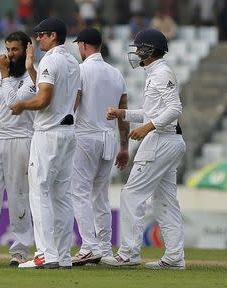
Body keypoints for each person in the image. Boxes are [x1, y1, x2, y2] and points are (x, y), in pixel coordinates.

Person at [103, 28, 186, 270]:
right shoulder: (155, 73)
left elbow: (175, 109)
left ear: (150, 50)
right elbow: (151, 112)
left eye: (140, 48)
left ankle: (128, 253)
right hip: (167, 139)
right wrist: (123, 113)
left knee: (131, 195)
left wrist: (148, 128)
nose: (136, 52)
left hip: (161, 139)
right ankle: (174, 257)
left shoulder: (161, 73)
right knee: (165, 200)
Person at [10, 17, 80, 269]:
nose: (37, 39)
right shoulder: (72, 61)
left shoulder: (51, 59)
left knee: (39, 193)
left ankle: (44, 254)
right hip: (67, 132)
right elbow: (58, 92)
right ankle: (61, 255)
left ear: (53, 35)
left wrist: (21, 105)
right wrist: (30, 68)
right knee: (61, 196)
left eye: (41, 35)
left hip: (48, 133)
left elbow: (43, 100)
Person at [70, 28, 129, 266]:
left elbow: (73, 105)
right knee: (100, 196)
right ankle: (104, 248)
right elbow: (123, 112)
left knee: (79, 192)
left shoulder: (80, 70)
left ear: (84, 45)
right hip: (109, 138)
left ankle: (89, 246)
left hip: (85, 136)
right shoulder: (116, 74)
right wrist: (124, 146)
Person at [0, 31, 35, 267]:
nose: (10, 55)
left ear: (26, 49)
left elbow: (14, 105)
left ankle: (20, 249)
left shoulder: (34, 76)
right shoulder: (6, 76)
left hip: (21, 139)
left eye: (15, 50)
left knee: (18, 196)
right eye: (8, 49)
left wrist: (3, 73)